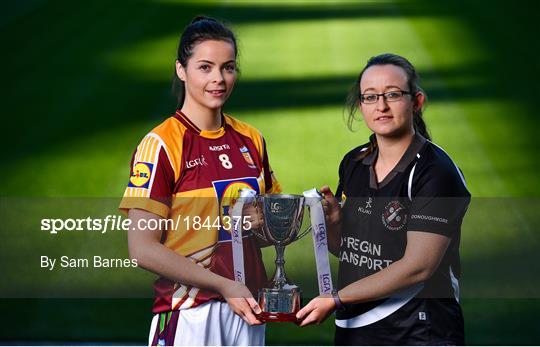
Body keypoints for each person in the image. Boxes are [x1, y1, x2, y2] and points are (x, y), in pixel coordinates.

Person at [119, 16, 281, 346]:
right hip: (190, 311)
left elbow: (263, 236)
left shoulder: (252, 139)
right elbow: (142, 249)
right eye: (205, 67)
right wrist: (223, 284)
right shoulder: (161, 144)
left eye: (228, 67)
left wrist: (267, 223)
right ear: (182, 69)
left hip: (248, 308)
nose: (219, 79)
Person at [296, 53, 470, 345]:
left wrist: (335, 299)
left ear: (416, 102)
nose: (382, 106)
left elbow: (418, 266)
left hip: (419, 332)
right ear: (361, 105)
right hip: (356, 329)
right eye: (370, 97)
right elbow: (358, 254)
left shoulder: (435, 171)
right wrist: (336, 225)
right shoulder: (354, 162)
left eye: (392, 94)